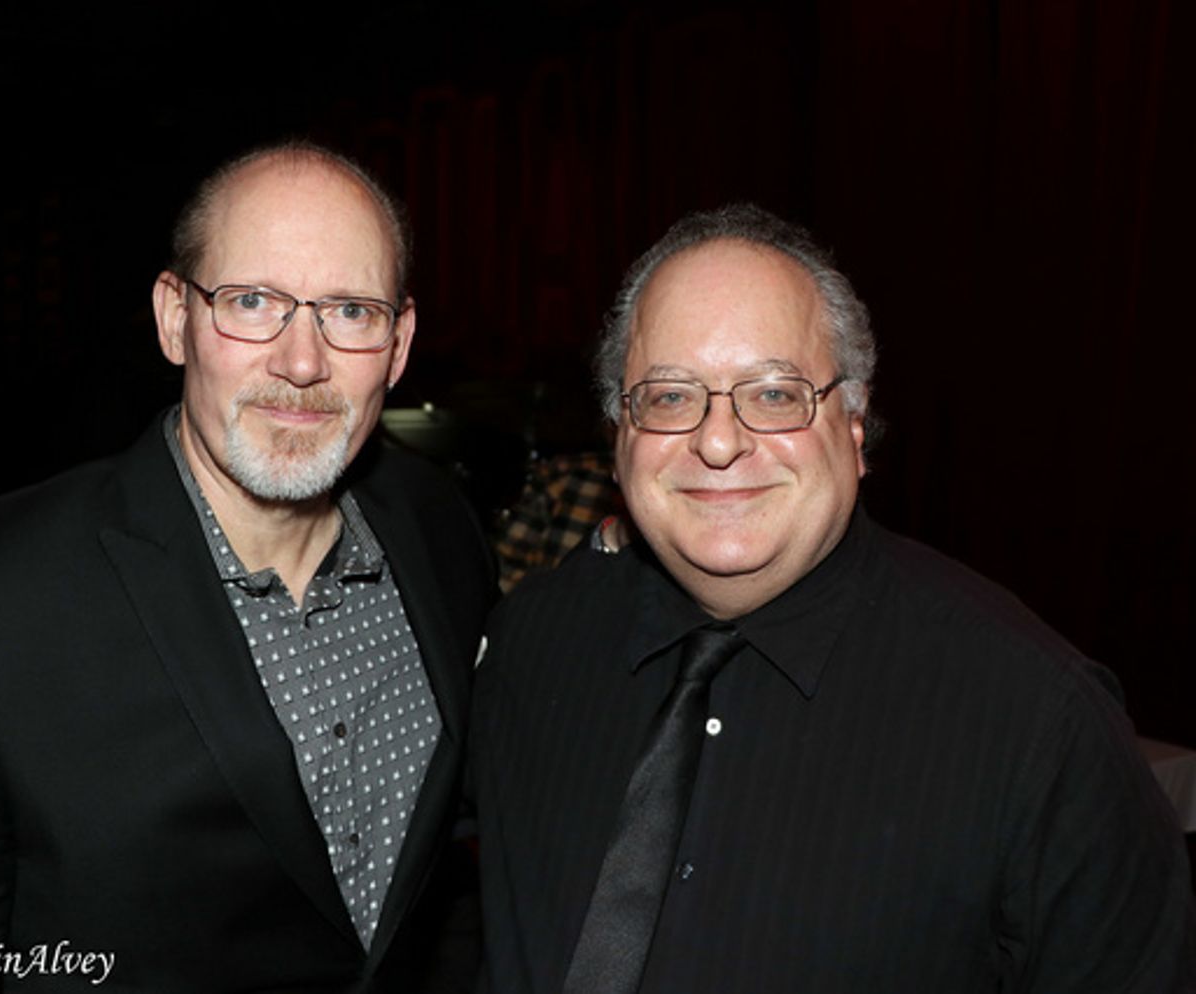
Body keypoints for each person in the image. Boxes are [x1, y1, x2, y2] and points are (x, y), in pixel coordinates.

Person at [0, 142, 495, 992]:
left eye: (349, 311)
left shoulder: (439, 533)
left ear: (399, 342)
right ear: (174, 318)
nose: (303, 361)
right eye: (250, 301)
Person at [471, 203, 1195, 993]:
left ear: (854, 423)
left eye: (776, 395)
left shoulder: (1037, 726)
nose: (718, 441)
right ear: (618, 434)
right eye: (671, 396)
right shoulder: (530, 649)